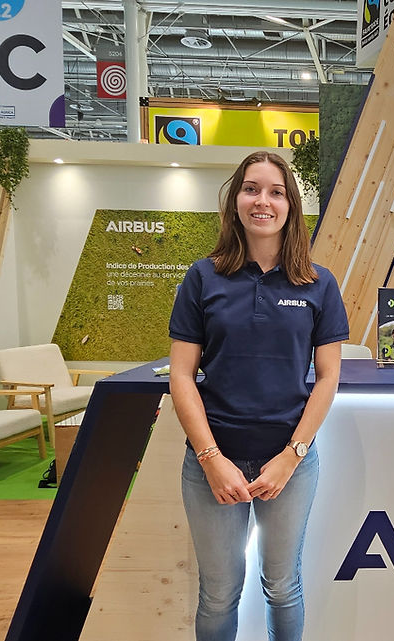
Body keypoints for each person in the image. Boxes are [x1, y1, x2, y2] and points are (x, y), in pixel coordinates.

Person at [168, 150, 349, 641]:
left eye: (275, 192)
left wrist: (292, 456)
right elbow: (181, 376)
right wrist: (211, 459)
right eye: (251, 189)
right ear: (236, 200)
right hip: (213, 462)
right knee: (218, 592)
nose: (262, 201)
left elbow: (327, 377)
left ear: (291, 205)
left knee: (283, 586)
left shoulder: (318, 283)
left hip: (288, 463)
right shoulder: (203, 277)